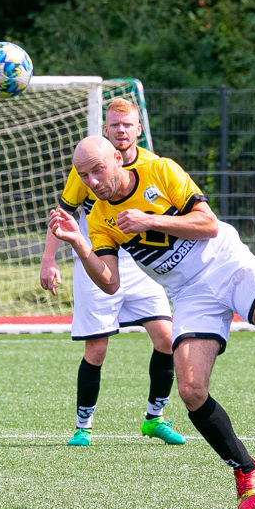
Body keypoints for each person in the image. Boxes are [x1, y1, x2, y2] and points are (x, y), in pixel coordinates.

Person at [49, 135, 255, 509]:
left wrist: (148, 219)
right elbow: (110, 282)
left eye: (98, 169)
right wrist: (80, 245)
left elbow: (208, 224)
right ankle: (245, 467)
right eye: (84, 176)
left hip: (227, 264)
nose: (93, 181)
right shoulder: (99, 217)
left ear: (117, 158)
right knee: (190, 390)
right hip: (188, 292)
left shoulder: (160, 170)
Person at [39, 98, 185, 447]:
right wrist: (48, 260)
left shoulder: (155, 166)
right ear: (105, 129)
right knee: (97, 349)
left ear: (138, 129)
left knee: (166, 339)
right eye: (114, 124)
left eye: (127, 124)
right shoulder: (86, 167)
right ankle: (83, 426)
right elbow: (63, 214)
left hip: (139, 264)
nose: (121, 130)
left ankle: (155, 418)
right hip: (96, 261)